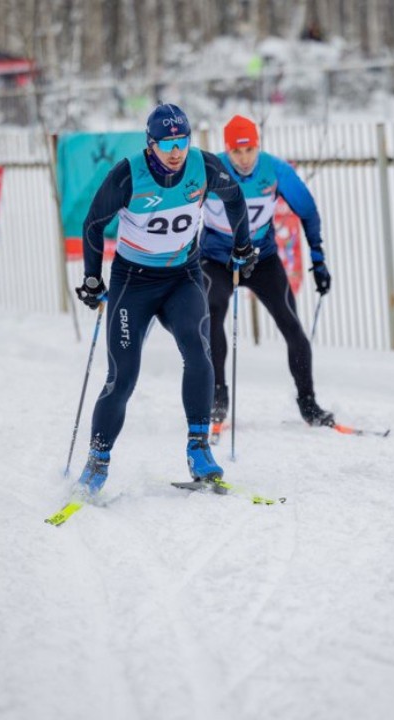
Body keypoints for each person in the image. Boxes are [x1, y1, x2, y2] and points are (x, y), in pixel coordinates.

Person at [73, 103, 256, 496]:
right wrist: (91, 278)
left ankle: (199, 448)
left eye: (182, 141)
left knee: (198, 348)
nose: (176, 151)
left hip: (182, 277)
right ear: (150, 144)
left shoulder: (203, 166)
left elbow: (235, 200)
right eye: (167, 143)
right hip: (132, 282)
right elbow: (93, 223)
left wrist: (243, 247)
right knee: (122, 376)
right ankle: (97, 461)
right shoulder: (128, 175)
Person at [200, 114, 334, 429]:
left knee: (292, 326)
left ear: (257, 147)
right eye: (237, 152)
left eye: (249, 151)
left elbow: (308, 211)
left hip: (262, 259)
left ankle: (309, 404)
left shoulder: (275, 170)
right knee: (212, 312)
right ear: (227, 150)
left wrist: (318, 258)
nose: (244, 159)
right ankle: (217, 398)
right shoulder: (209, 171)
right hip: (217, 258)